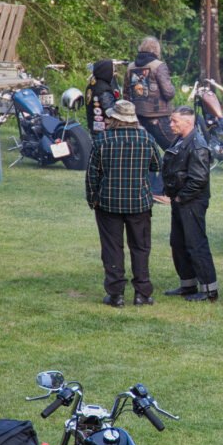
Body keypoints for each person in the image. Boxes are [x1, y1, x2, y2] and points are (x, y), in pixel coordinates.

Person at [85, 100, 160, 307]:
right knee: (141, 248)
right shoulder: (146, 138)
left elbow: (92, 174)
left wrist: (93, 199)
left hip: (108, 203)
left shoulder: (102, 140)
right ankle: (142, 294)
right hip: (139, 203)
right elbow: (156, 164)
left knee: (112, 249)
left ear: (115, 118)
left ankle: (116, 294)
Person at [161, 106, 218, 301]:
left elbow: (199, 179)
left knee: (196, 244)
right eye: (171, 120)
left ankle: (209, 290)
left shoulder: (198, 145)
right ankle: (188, 284)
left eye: (174, 121)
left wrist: (180, 197)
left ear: (188, 122)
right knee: (178, 242)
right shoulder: (180, 140)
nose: (171, 124)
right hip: (181, 200)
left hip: (192, 201)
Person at [126, 36, 175, 201]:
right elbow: (168, 92)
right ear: (156, 50)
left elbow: (126, 93)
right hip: (159, 117)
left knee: (144, 153)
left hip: (138, 117)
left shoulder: (131, 67)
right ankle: (159, 190)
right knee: (174, 149)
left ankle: (143, 189)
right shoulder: (158, 66)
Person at [84, 59, 121, 134]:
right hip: (104, 130)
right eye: (112, 71)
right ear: (106, 72)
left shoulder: (92, 85)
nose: (113, 74)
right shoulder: (103, 90)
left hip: (94, 126)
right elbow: (110, 111)